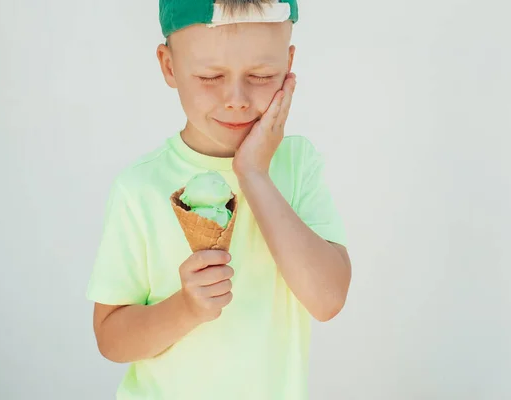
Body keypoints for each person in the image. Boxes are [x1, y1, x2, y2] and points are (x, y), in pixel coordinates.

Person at [86, 1, 352, 398]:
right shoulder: (138, 187)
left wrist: (255, 174)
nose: (237, 99)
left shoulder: (295, 165)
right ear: (169, 66)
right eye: (210, 76)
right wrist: (186, 308)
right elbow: (111, 339)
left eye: (262, 75)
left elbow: (327, 299)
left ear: (289, 62)